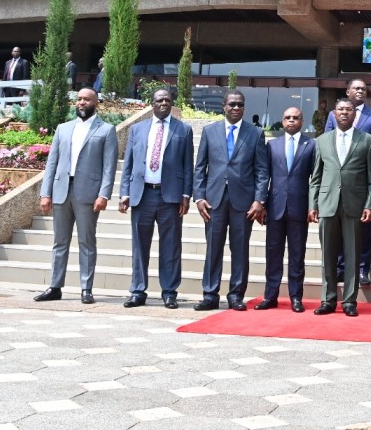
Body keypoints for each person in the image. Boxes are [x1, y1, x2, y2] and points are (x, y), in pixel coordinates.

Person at [34, 88, 119, 304]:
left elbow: (109, 167)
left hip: (88, 194)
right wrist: (46, 193)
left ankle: (86, 288)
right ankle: (55, 286)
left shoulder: (107, 130)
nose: (81, 102)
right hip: (61, 191)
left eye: (86, 99)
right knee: (59, 242)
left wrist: (104, 195)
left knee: (86, 242)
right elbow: (51, 163)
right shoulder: (63, 129)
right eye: (79, 99)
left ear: (96, 103)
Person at [192, 90, 269, 311]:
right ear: (224, 106)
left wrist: (259, 200)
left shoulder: (254, 133)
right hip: (213, 200)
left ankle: (236, 295)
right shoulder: (210, 131)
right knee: (212, 249)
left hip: (243, 202)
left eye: (240, 105)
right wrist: (199, 198)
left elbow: (262, 171)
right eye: (232, 104)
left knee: (240, 249)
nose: (236, 108)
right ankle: (209, 294)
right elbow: (200, 168)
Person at [118, 89, 193, 309]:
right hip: (142, 195)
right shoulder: (137, 129)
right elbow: (129, 164)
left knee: (171, 246)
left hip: (170, 196)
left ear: (172, 104)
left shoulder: (183, 130)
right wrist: (125, 192)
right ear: (152, 104)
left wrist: (186, 195)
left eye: (167, 100)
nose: (163, 103)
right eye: (159, 100)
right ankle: (138, 290)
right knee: (139, 245)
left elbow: (188, 166)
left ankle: (169, 292)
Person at [310, 98, 371, 317]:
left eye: (349, 110)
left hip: (354, 205)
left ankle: (349, 301)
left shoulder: (367, 140)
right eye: (340, 110)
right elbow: (316, 178)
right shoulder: (322, 141)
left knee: (352, 254)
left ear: (354, 114)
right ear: (334, 114)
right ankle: (328, 299)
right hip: (327, 204)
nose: (345, 113)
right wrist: (313, 204)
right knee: (328, 254)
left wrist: (369, 204)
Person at [324, 78, 371, 287]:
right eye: (356, 88)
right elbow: (326, 147)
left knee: (364, 230)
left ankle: (362, 269)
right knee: (339, 229)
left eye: (363, 89)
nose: (360, 91)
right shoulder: (333, 115)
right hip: (337, 186)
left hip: (362, 184)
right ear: (347, 91)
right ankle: (341, 268)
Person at [256, 106, 317, 312]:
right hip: (275, 207)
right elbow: (264, 176)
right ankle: (270, 296)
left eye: (296, 118)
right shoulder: (272, 145)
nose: (291, 121)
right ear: (282, 121)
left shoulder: (311, 145)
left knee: (297, 255)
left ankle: (296, 297)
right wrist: (261, 203)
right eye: (287, 118)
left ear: (302, 121)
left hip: (299, 209)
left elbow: (315, 179)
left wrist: (312, 205)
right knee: (273, 253)